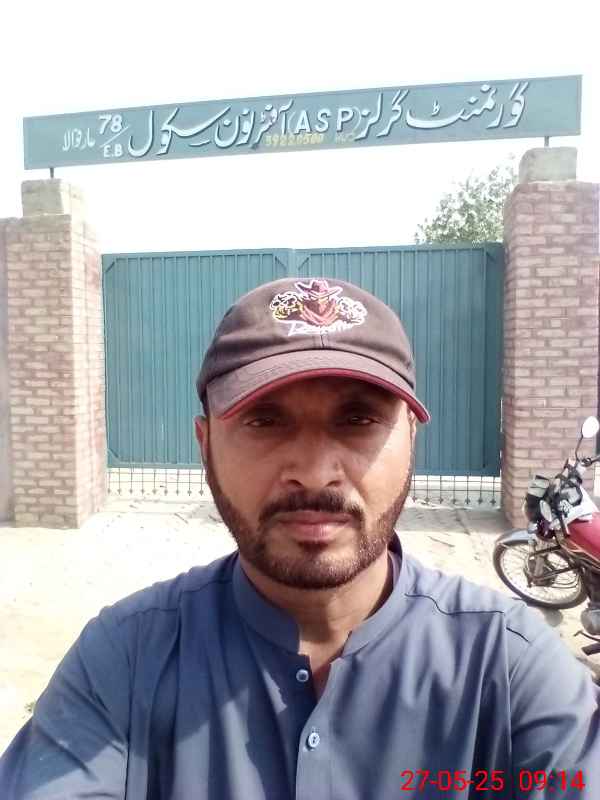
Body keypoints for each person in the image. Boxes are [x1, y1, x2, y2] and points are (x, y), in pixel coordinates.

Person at [1, 276, 599, 799]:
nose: (314, 473)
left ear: (411, 441)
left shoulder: (511, 669)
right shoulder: (123, 660)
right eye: (264, 420)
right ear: (205, 447)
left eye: (358, 420)